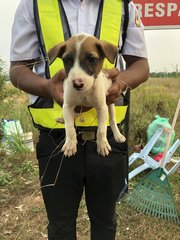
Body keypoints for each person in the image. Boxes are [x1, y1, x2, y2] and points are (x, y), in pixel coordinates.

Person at [10, 0, 149, 239]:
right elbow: (17, 69)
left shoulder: (124, 5)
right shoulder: (33, 5)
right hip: (58, 142)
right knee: (60, 226)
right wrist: (46, 87)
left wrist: (119, 84)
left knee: (105, 223)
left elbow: (141, 65)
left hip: (106, 144)